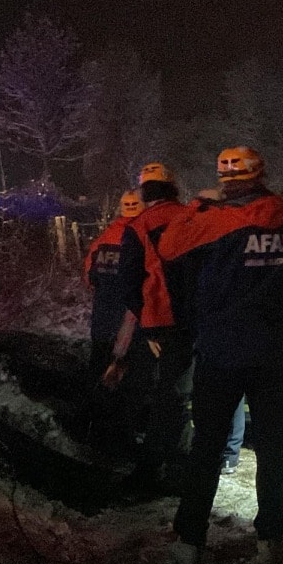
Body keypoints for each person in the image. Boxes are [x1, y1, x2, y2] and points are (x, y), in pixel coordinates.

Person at [157, 146, 283, 564]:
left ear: (224, 181)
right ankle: (271, 539)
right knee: (274, 447)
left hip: (223, 350)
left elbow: (168, 246)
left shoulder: (213, 221)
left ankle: (189, 542)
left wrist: (198, 204)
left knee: (207, 446)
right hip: (275, 350)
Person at [109, 162, 194, 494]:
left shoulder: (139, 226)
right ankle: (181, 464)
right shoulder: (192, 217)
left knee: (166, 397)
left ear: (144, 192)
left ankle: (156, 470)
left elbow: (128, 283)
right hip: (198, 320)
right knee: (185, 394)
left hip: (160, 323)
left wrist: (147, 323)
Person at [82, 190, 148, 446]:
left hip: (103, 320)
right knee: (128, 380)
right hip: (130, 323)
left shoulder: (105, 237)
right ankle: (121, 434)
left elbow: (89, 276)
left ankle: (92, 426)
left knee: (98, 371)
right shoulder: (143, 235)